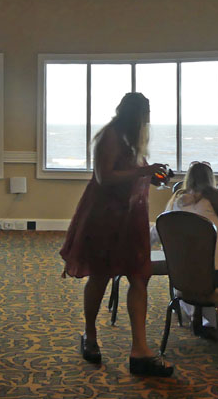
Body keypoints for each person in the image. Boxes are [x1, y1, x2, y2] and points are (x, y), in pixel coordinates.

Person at [59, 92, 173, 377]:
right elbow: (104, 176)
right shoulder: (110, 136)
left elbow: (133, 173)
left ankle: (140, 350)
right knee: (100, 275)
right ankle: (89, 334)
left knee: (138, 276)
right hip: (105, 217)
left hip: (130, 217)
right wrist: (144, 170)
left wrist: (152, 175)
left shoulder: (132, 141)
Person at [166, 161, 218, 343]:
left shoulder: (177, 200)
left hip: (184, 277)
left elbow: (160, 228)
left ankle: (197, 317)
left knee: (201, 261)